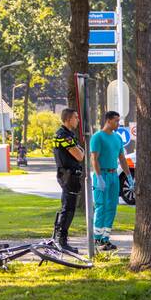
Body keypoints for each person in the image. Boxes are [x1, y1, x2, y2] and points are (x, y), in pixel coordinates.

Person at [89, 110, 133, 251]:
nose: (118, 124)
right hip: (102, 175)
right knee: (101, 206)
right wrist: (99, 177)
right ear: (108, 120)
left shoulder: (117, 138)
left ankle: (105, 239)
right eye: (116, 121)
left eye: (118, 121)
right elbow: (94, 159)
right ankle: (97, 239)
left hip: (114, 175)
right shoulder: (97, 137)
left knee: (112, 207)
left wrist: (128, 176)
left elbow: (122, 158)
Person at [51, 108, 85, 252]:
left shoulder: (69, 135)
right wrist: (80, 150)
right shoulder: (63, 135)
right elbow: (80, 155)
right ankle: (61, 241)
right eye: (76, 117)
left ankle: (58, 238)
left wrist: (80, 150)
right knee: (68, 208)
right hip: (67, 175)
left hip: (71, 174)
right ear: (68, 119)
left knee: (69, 207)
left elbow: (80, 152)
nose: (78, 120)